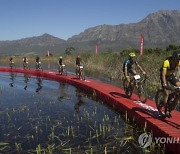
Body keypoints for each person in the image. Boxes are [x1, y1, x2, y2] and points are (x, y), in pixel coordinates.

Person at [160, 51, 180, 117]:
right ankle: (165, 106)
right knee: (166, 93)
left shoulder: (178, 61)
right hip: (164, 76)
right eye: (177, 60)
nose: (178, 61)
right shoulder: (166, 62)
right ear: (174, 58)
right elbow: (163, 74)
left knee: (178, 88)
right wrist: (164, 84)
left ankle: (173, 99)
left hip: (171, 76)